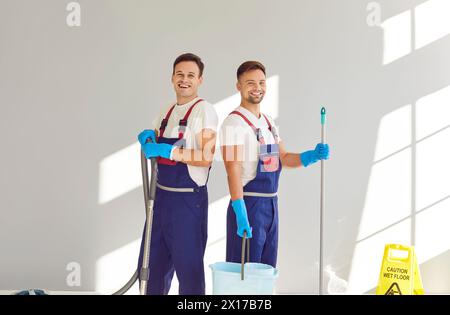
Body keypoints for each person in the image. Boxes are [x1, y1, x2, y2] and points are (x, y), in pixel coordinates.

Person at [219, 61, 329, 267]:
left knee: (266, 271)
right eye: (250, 83)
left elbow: (284, 157)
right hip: (248, 204)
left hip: (271, 206)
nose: (257, 88)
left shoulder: (269, 122)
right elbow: (232, 169)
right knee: (244, 274)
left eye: (261, 82)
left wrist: (311, 155)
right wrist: (240, 210)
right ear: (239, 86)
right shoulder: (234, 123)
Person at [137, 53, 218, 294]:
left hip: (187, 203)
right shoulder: (167, 109)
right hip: (160, 199)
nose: (185, 80)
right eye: (180, 74)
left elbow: (206, 157)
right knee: (152, 269)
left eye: (191, 75)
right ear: (172, 78)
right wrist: (148, 137)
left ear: (200, 80)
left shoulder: (205, 111)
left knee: (189, 273)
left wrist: (168, 151)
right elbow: (153, 135)